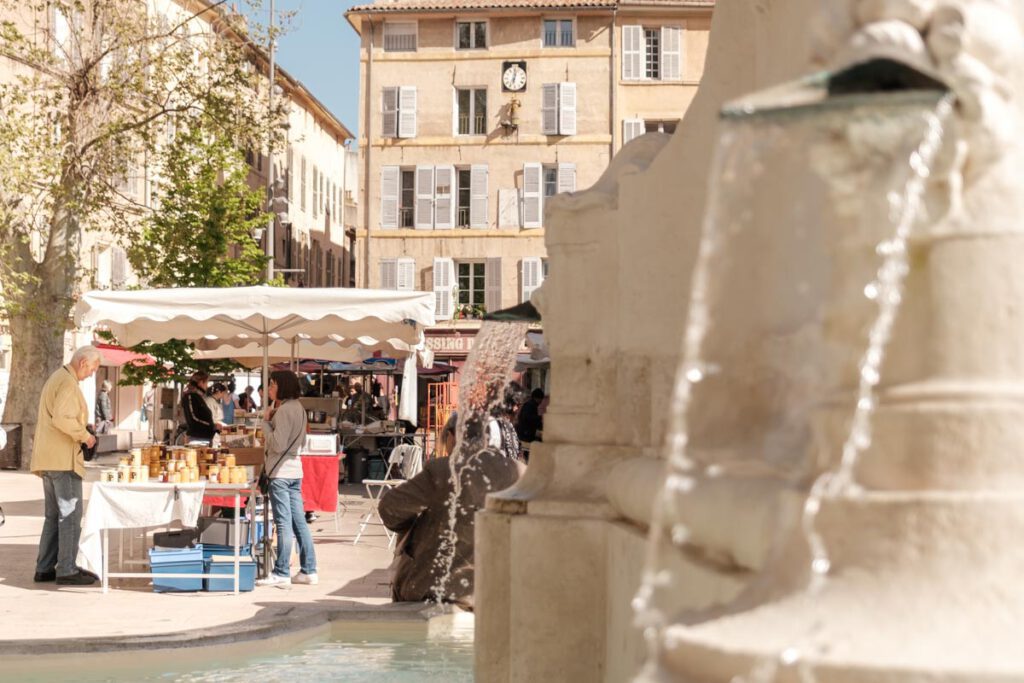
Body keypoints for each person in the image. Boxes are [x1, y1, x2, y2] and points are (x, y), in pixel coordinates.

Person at [379, 435, 524, 608]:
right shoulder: (520, 472)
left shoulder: (443, 470)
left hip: (435, 590)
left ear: (451, 437)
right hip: (498, 592)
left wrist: (412, 526)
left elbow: (390, 508)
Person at [32, 345, 101, 586]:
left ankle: (44, 568)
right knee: (70, 515)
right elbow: (63, 418)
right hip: (63, 460)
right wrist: (86, 436)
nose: (93, 373)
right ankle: (67, 568)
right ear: (83, 362)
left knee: (53, 516)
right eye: (93, 368)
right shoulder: (69, 383)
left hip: (50, 458)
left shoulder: (58, 377)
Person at [256, 370, 318, 587]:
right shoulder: (300, 409)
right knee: (299, 522)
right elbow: (299, 443)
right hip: (295, 470)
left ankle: (281, 571)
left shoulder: (283, 411)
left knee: (283, 523)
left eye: (272, 385)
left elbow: (277, 444)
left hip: (280, 473)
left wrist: (265, 424)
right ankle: (309, 570)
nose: (270, 389)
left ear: (282, 386)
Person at [181, 371, 216, 443]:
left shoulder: (197, 396)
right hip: (197, 438)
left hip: (203, 437)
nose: (207, 386)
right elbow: (193, 418)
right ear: (200, 382)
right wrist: (212, 426)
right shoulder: (190, 396)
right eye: (206, 383)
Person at [516, 388, 545, 459]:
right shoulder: (530, 405)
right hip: (526, 433)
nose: (541, 402)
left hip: (526, 432)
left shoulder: (530, 404)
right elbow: (529, 418)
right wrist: (540, 418)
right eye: (541, 399)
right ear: (537, 398)